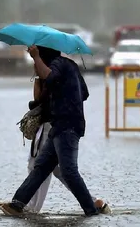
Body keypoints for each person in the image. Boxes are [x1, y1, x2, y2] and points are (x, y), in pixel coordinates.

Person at [0, 45, 100, 217]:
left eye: (39, 54)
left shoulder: (59, 64)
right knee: (41, 167)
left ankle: (91, 209)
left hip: (67, 126)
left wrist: (36, 58)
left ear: (44, 54)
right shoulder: (68, 67)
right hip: (59, 125)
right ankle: (17, 204)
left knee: (68, 171)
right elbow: (81, 93)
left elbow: (50, 77)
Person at [25, 69, 110, 214]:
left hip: (52, 125)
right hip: (56, 125)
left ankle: (31, 207)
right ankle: (93, 201)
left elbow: (39, 101)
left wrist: (39, 77)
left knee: (39, 165)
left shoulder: (53, 72)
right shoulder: (58, 71)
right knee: (58, 169)